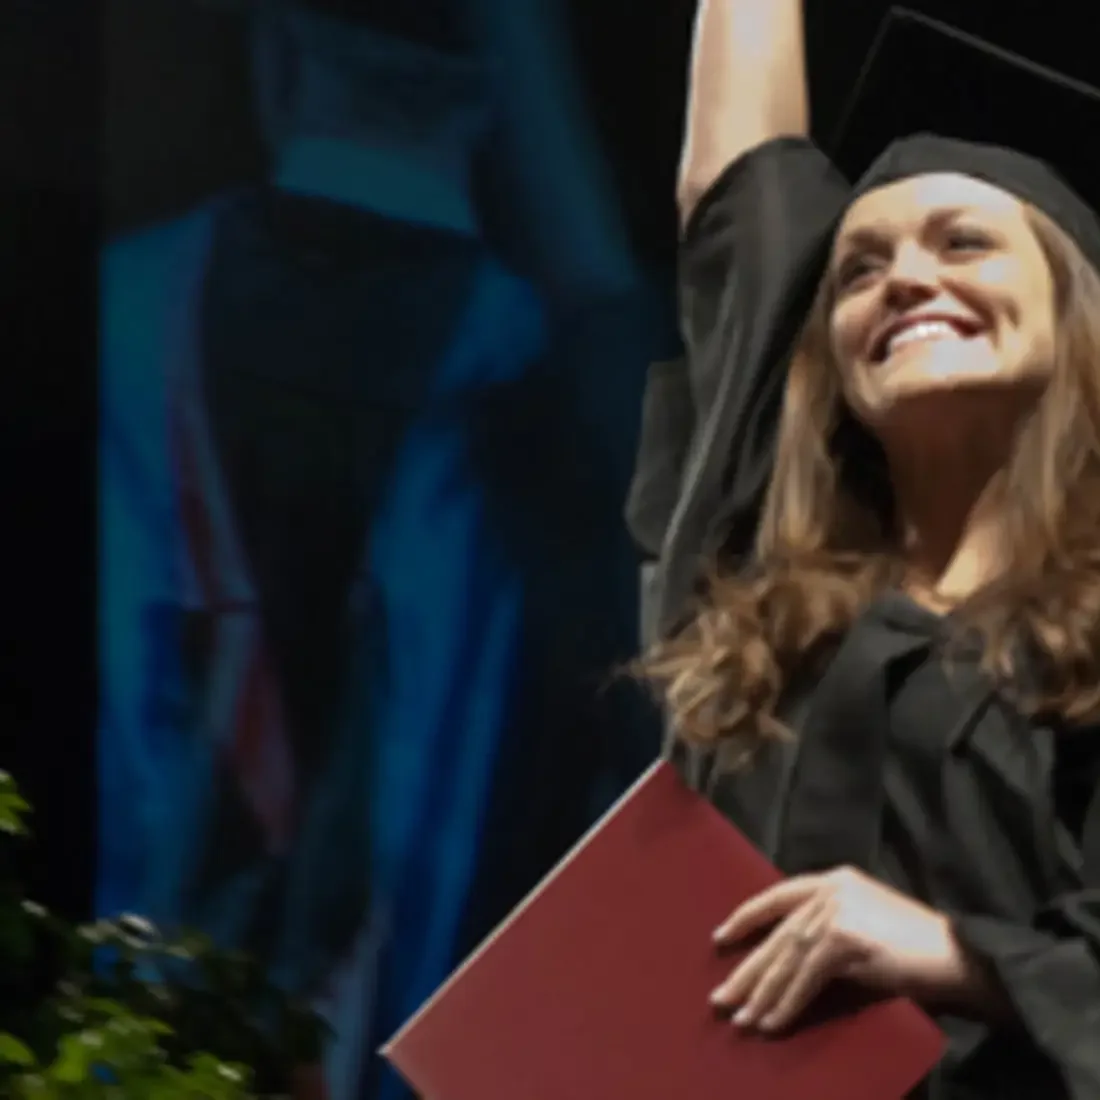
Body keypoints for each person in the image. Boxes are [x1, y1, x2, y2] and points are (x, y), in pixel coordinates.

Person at [629, 4, 1100, 1098]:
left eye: (963, 241)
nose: (898, 279)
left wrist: (947, 951)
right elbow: (734, 200)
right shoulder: (751, 590)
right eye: (854, 269)